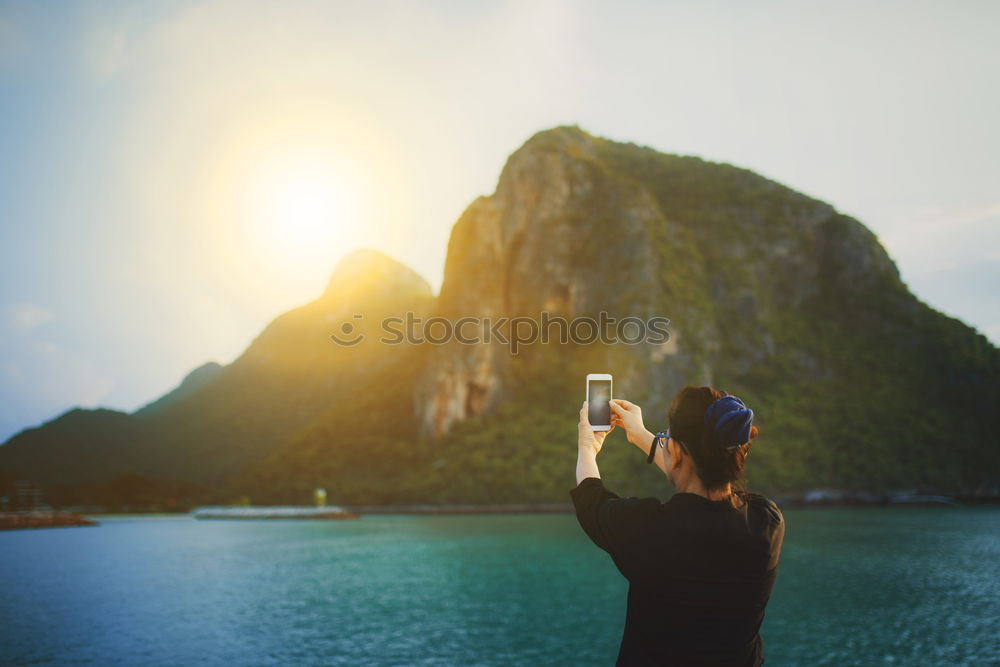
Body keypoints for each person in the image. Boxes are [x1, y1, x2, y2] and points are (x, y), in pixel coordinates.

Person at [571, 385, 785, 667]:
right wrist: (645, 438)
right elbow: (696, 473)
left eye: (666, 438)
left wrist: (587, 447)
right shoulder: (767, 523)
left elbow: (591, 500)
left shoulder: (648, 529)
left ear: (678, 451)